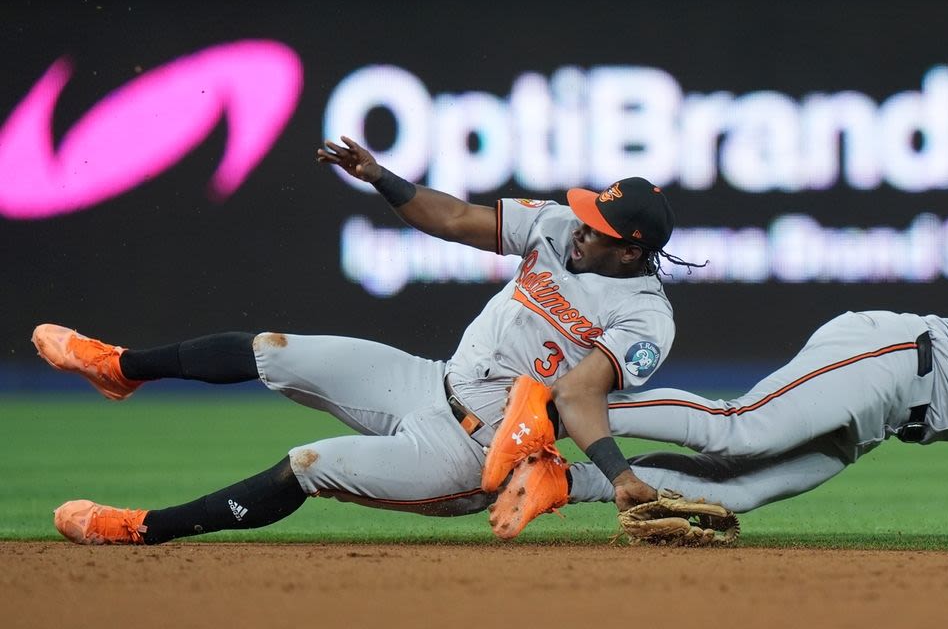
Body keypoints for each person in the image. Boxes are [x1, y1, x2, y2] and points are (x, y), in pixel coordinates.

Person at [32, 135, 695, 545]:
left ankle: (143, 528)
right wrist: (381, 177)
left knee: (307, 464)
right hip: (426, 380)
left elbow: (581, 395)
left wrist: (618, 475)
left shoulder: (645, 318)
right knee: (273, 349)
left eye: (599, 226)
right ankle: (120, 367)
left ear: (633, 248)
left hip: (470, 453)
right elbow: (457, 217)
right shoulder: (554, 225)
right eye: (586, 213)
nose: (581, 227)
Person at [487, 309, 948, 539]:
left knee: (743, 488)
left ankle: (562, 479)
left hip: (891, 414)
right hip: (893, 357)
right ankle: (554, 402)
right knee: (742, 426)